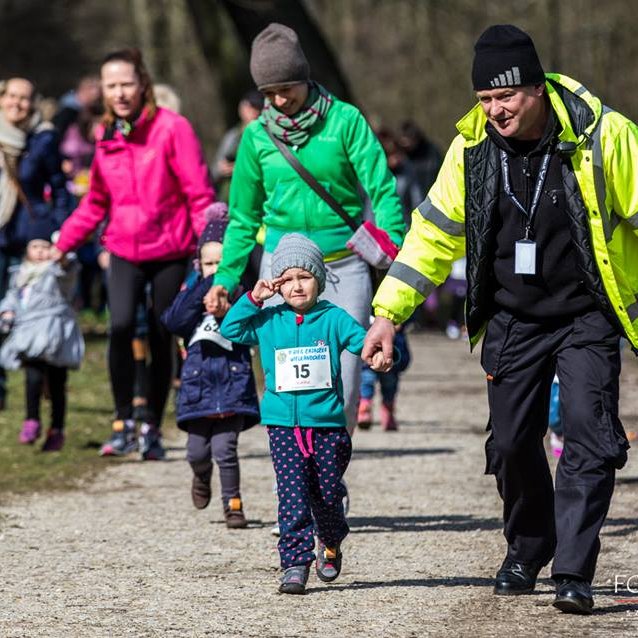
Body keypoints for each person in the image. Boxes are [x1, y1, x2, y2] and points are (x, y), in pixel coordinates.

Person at [363, 24, 638, 615]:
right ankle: (528, 545)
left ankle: (573, 570)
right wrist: (387, 315)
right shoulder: (472, 151)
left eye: (505, 97)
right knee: (512, 443)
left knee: (589, 437)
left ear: (537, 88)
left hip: (587, 313)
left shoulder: (602, 136)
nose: (494, 110)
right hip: (513, 317)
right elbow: (431, 237)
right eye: (485, 99)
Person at [204, 23, 405, 437]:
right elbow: (243, 217)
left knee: (346, 381)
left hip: (342, 267)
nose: (279, 100)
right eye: (269, 92)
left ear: (305, 77)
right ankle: (299, 472)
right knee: (287, 383)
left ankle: (332, 470)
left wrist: (394, 245)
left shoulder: (345, 121)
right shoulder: (255, 137)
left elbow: (382, 189)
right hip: (281, 273)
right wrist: (225, 277)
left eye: (287, 88)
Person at [51, 48, 215, 460]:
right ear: (102, 91)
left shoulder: (172, 128)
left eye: (127, 83)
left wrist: (211, 243)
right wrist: (62, 243)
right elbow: (95, 203)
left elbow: (198, 194)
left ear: (143, 84)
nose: (120, 93)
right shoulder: (106, 135)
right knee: (121, 326)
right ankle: (123, 420)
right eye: (111, 86)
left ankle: (152, 427)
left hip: (170, 248)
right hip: (123, 246)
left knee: (161, 332)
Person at [221, 234, 372, 594]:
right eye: (286, 279)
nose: (295, 285)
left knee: (327, 494)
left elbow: (363, 343)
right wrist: (255, 297)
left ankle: (332, 539)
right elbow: (231, 329)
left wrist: (378, 355)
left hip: (327, 426)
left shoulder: (333, 318)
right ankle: (294, 562)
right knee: (291, 495)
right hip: (283, 426)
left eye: (303, 277)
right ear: (277, 285)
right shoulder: (269, 320)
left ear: (318, 279)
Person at [162, 209, 259, 528]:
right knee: (196, 453)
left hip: (232, 390)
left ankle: (233, 504)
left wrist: (230, 305)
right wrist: (202, 287)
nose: (216, 270)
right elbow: (173, 321)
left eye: (222, 263)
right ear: (198, 266)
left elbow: (255, 328)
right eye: (209, 264)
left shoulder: (243, 296)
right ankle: (201, 478)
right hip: (197, 392)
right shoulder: (192, 300)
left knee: (225, 451)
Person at [0, 77, 72, 410]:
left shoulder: (42, 140)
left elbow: (59, 188)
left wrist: (57, 233)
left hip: (25, 240)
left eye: (24, 99)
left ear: (33, 103)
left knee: (22, 314)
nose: (17, 103)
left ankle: (36, 379)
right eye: (12, 96)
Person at [0, 218, 84, 451]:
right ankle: (32, 420)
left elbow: (67, 272)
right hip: (29, 335)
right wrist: (6, 311)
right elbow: (12, 297)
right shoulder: (20, 273)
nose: (40, 252)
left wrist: (63, 255)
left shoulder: (56, 272)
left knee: (57, 383)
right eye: (35, 247)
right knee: (33, 378)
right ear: (27, 249)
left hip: (55, 334)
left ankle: (56, 429)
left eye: (45, 247)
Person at [211, 88, 263, 203]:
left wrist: (240, 168)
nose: (253, 112)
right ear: (242, 107)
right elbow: (214, 172)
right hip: (229, 200)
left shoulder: (265, 136)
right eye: (250, 107)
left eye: (257, 108)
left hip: (255, 200)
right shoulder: (232, 136)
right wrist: (221, 169)